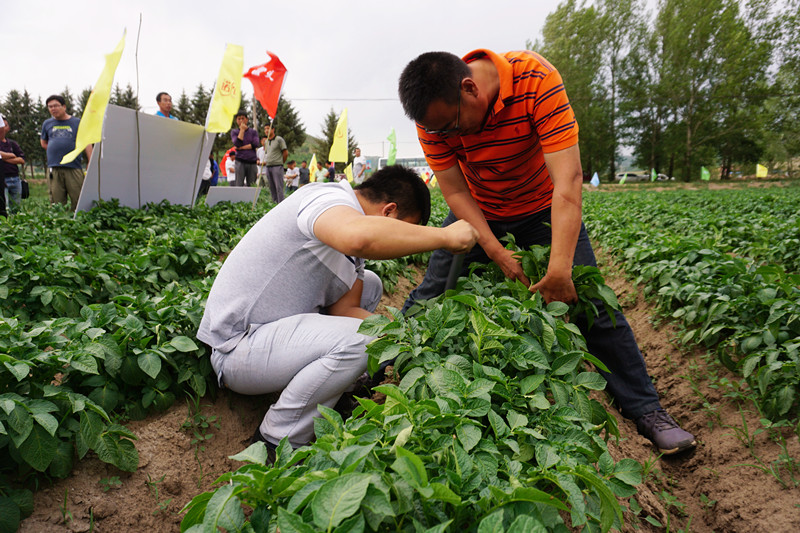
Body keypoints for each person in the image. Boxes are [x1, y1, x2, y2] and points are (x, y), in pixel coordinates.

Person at [397, 50, 696, 455]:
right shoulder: (432, 118)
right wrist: (495, 250)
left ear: (470, 88)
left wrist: (559, 269)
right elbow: (453, 190)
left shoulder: (535, 81)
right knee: (435, 290)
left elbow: (568, 181)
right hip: (479, 209)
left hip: (543, 206)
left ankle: (647, 411)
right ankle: (383, 371)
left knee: (591, 306)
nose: (450, 138)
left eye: (451, 127)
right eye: (439, 132)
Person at [197, 165, 479, 451]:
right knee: (363, 338)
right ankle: (276, 442)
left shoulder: (350, 240)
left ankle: (337, 387)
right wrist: (444, 237)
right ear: (389, 212)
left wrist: (402, 337)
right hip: (235, 350)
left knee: (370, 285)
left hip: (268, 338)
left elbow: (344, 309)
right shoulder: (327, 200)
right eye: (406, 228)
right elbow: (359, 237)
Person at [40, 94, 93, 211]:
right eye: (50, 107)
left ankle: (79, 223)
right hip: (54, 168)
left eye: (55, 106)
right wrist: (56, 150)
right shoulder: (47, 124)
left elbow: (87, 142)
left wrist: (90, 160)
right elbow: (43, 143)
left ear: (64, 107)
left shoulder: (77, 122)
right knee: (56, 202)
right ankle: (59, 224)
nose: (53, 109)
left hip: (73, 167)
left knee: (78, 199)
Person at [0, 117, 25, 215]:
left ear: (8, 128)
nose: (3, 128)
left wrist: (4, 157)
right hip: (3, 179)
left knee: (16, 206)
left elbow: (21, 160)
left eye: (5, 125)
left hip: (15, 178)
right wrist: (11, 155)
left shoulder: (12, 144)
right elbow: (15, 157)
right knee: (4, 205)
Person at [230, 112, 259, 187]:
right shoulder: (234, 132)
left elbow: (255, 144)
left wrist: (241, 148)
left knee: (252, 184)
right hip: (240, 161)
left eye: (243, 118)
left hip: (252, 162)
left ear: (247, 119)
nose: (241, 121)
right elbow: (237, 143)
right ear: (236, 120)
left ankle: (251, 199)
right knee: (239, 184)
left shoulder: (253, 132)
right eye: (239, 119)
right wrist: (242, 130)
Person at [262, 124, 288, 203]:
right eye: (265, 129)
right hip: (268, 166)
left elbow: (285, 152)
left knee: (278, 187)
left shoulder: (279, 139)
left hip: (277, 166)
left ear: (273, 130)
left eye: (268, 128)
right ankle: (274, 203)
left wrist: (281, 162)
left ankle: (281, 204)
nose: (266, 130)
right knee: (271, 187)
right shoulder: (266, 141)